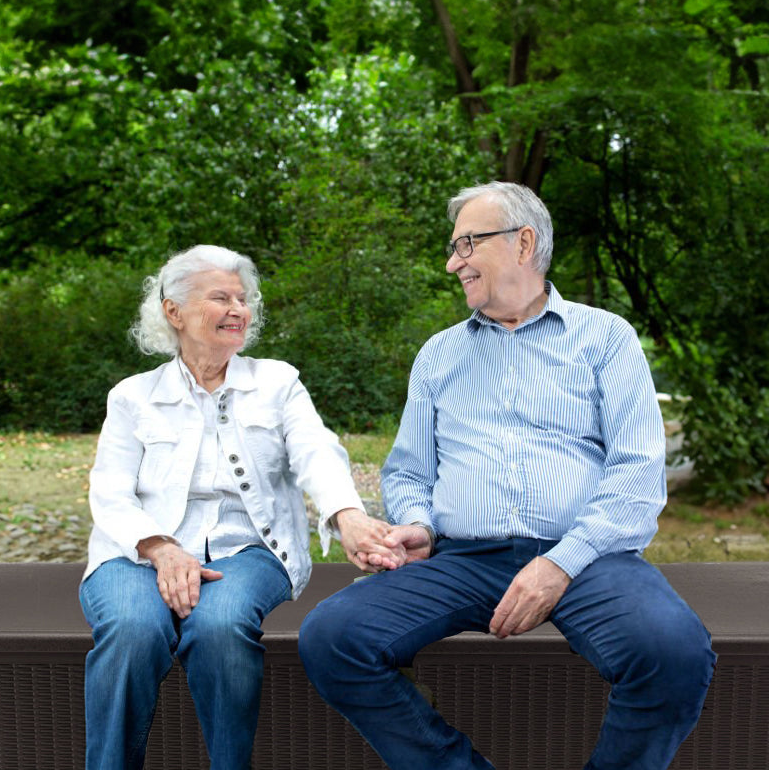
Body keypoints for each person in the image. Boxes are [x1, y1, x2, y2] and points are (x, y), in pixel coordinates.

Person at [299, 183, 716, 770]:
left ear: (524, 243)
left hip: (590, 560)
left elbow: (638, 476)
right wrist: (418, 525)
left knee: (673, 653)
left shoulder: (606, 339)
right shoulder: (439, 355)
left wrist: (559, 563)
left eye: (467, 243)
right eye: (452, 247)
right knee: (333, 637)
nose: (453, 262)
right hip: (464, 560)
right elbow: (410, 471)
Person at [80, 244, 399, 770]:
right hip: (136, 553)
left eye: (243, 298)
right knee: (135, 629)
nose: (238, 309)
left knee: (220, 627)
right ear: (173, 311)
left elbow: (317, 451)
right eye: (220, 297)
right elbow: (109, 492)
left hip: (250, 549)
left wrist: (347, 516)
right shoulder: (132, 397)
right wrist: (161, 548)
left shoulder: (277, 382)